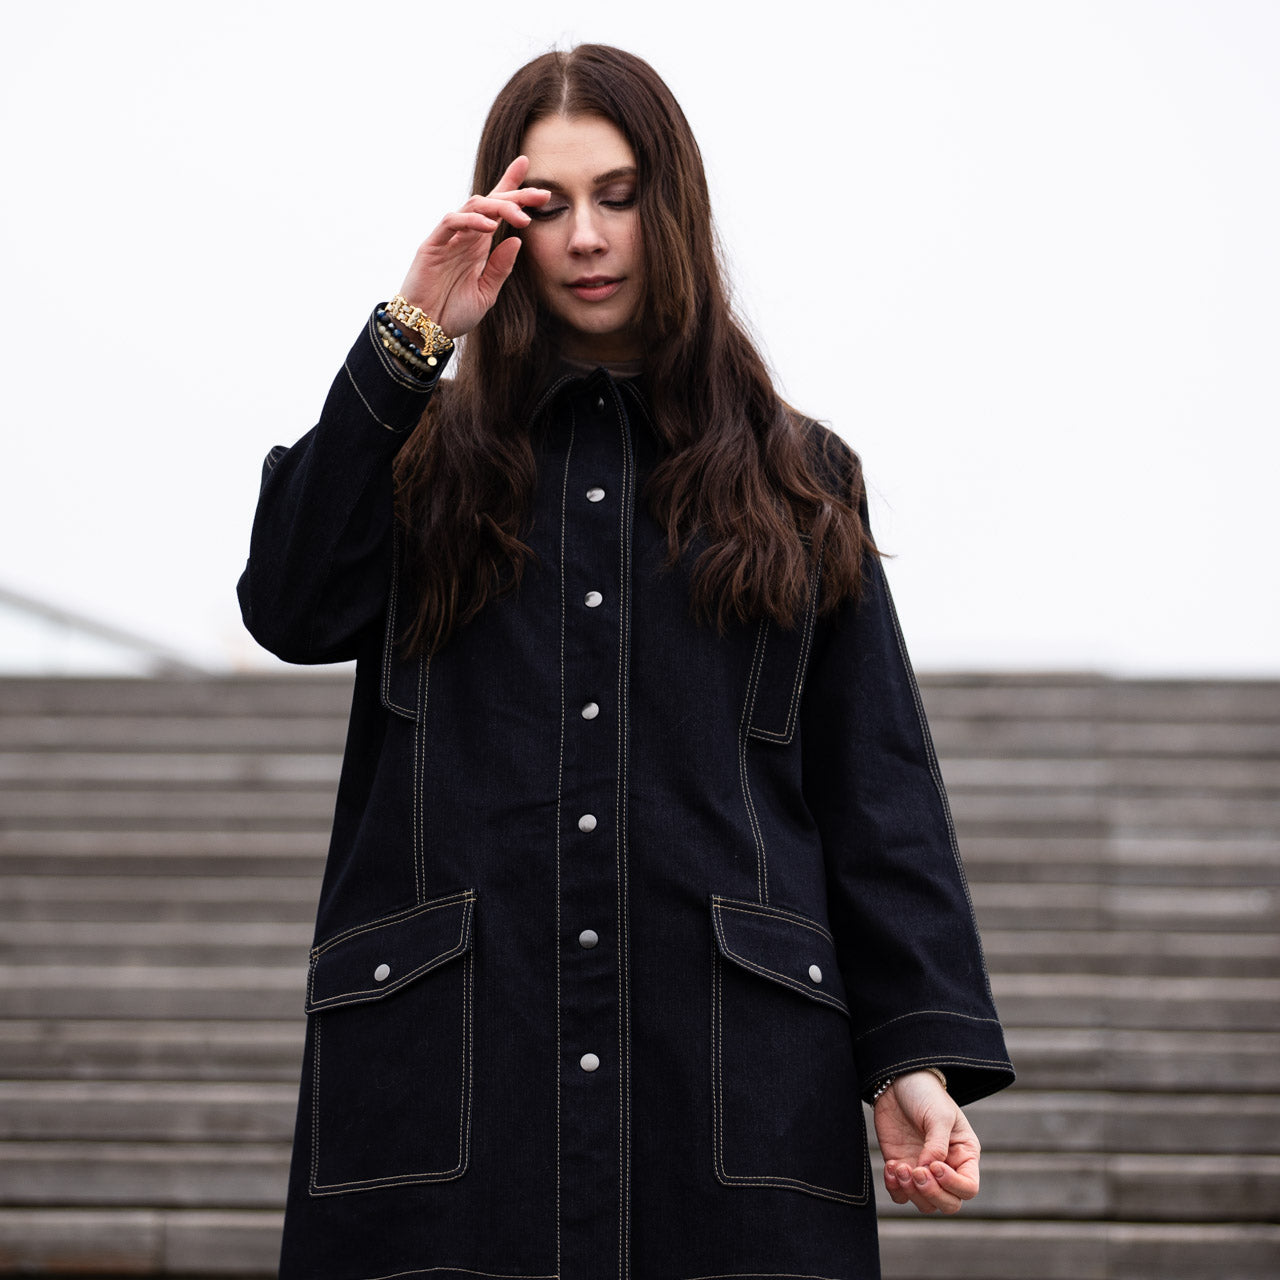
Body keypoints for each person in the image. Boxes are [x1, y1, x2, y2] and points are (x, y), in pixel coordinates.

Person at [238, 43, 1014, 1280]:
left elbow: (877, 789)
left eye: (619, 194)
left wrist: (907, 1054)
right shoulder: (417, 457)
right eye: (548, 205)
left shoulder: (798, 477)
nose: (587, 238)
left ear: (676, 205)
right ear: (504, 219)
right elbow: (286, 603)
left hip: (728, 1085)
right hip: (453, 1079)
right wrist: (412, 332)